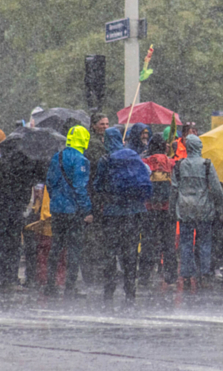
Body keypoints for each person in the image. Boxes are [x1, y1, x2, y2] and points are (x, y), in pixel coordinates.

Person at [94, 128, 152, 304]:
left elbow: (97, 186)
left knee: (111, 252)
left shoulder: (105, 160)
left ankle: (109, 289)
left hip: (113, 213)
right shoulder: (134, 156)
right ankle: (130, 290)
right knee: (131, 251)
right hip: (135, 212)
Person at [170, 135, 223, 290]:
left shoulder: (179, 165)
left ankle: (186, 274)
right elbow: (216, 188)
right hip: (204, 208)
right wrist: (221, 207)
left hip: (185, 208)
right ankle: (204, 273)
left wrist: (172, 209)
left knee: (186, 242)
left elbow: (174, 189)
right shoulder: (206, 165)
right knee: (205, 242)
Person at [44, 126, 93, 298]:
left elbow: (49, 183)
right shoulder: (81, 160)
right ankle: (70, 287)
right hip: (74, 211)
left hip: (57, 209)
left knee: (56, 246)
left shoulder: (56, 157)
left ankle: (50, 284)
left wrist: (56, 200)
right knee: (74, 249)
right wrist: (87, 209)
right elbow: (80, 188)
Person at [0, 145, 37, 291]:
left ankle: (2, 278)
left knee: (2, 243)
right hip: (15, 211)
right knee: (14, 244)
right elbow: (26, 190)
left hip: (1, 209)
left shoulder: (1, 164)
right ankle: (11, 277)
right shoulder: (24, 167)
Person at [140, 133, 178, 287]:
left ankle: (144, 275)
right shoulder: (172, 163)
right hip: (167, 209)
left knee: (148, 242)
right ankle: (171, 275)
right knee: (168, 243)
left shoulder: (145, 162)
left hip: (149, 209)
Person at [81, 113, 109, 285]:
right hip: (93, 194)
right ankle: (91, 274)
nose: (105, 127)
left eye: (107, 124)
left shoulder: (104, 143)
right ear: (93, 125)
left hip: (98, 195)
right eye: (102, 124)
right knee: (92, 236)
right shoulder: (93, 145)